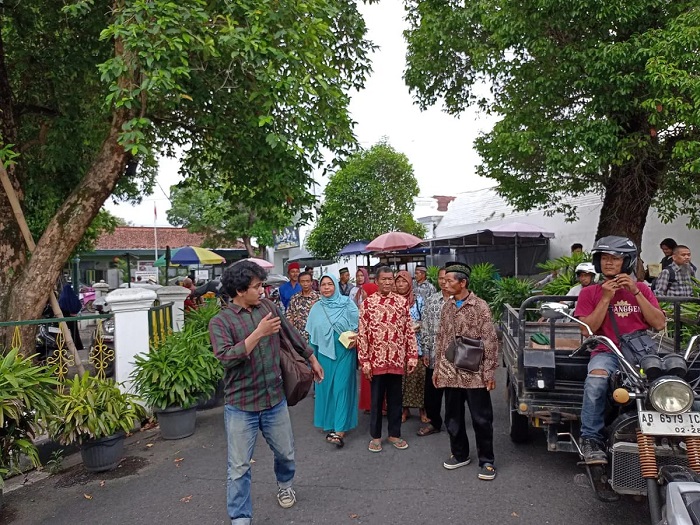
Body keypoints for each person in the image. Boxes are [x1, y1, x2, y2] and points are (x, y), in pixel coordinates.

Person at [208, 261, 324, 524]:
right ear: (239, 290)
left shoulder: (269, 308)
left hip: (274, 399)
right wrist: (258, 334)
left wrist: (311, 358)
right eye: (257, 287)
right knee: (238, 468)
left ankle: (285, 485)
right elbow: (226, 357)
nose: (262, 291)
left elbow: (289, 333)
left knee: (286, 453)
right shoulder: (221, 321)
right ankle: (240, 518)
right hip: (241, 405)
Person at [574, 236, 665, 465]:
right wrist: (606, 298)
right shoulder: (589, 293)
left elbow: (659, 323)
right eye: (604, 258)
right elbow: (588, 330)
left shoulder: (642, 288)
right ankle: (590, 438)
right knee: (595, 382)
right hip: (607, 351)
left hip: (640, 352)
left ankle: (670, 433)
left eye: (615, 258)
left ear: (627, 262)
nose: (609, 263)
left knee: (669, 384)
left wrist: (635, 292)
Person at [433, 263, 499, 480]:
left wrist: (489, 372)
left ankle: (487, 461)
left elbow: (490, 340)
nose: (446, 283)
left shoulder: (480, 307)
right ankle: (460, 454)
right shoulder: (447, 307)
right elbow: (441, 337)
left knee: (481, 419)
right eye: (445, 280)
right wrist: (437, 369)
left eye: (451, 280)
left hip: (475, 373)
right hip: (451, 372)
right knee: (452, 417)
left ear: (463, 283)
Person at [357, 266, 418, 453]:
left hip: (397, 360)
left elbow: (409, 331)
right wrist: (365, 361)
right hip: (376, 362)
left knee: (395, 400)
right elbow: (362, 334)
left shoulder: (401, 302)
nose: (388, 282)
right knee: (376, 401)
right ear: (376, 281)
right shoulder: (368, 304)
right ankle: (375, 437)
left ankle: (394, 434)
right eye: (384, 279)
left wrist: (412, 355)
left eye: (390, 279)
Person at [305, 275, 359, 448]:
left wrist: (356, 337)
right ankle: (330, 423)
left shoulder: (347, 304)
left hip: (344, 352)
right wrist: (312, 361)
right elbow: (312, 337)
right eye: (323, 285)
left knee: (341, 388)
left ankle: (340, 429)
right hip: (323, 355)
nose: (327, 288)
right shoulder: (316, 308)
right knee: (325, 388)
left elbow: (360, 326)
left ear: (336, 286)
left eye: (330, 284)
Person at [417, 267, 449, 437]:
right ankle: (434, 422)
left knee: (453, 393)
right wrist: (426, 351)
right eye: (440, 278)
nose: (443, 282)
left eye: (447, 278)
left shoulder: (459, 301)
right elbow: (425, 327)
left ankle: (453, 422)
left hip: (454, 357)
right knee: (432, 392)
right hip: (434, 353)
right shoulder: (432, 300)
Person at [395, 270, 427, 423]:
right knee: (401, 380)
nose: (401, 284)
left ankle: (422, 410)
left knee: (418, 379)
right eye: (398, 281)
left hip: (416, 344)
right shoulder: (392, 300)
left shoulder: (418, 300)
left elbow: (425, 320)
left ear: (410, 283)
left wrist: (415, 326)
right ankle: (404, 410)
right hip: (398, 347)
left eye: (404, 281)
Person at [351, 268, 380, 413]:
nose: (362, 295)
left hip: (373, 350)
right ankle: (372, 405)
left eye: (364, 293)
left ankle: (376, 406)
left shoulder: (372, 309)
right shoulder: (364, 307)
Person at [285, 271, 321, 341]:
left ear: (311, 282)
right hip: (298, 337)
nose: (305, 284)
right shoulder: (294, 298)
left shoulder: (319, 298)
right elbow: (289, 315)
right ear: (299, 283)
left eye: (307, 281)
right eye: (302, 281)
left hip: (314, 336)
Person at [58, 283, 84, 350]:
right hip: (73, 317)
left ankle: (67, 346)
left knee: (65, 332)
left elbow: (61, 307)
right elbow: (79, 305)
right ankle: (78, 346)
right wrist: (74, 312)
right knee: (75, 332)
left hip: (65, 317)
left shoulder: (62, 297)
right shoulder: (73, 296)